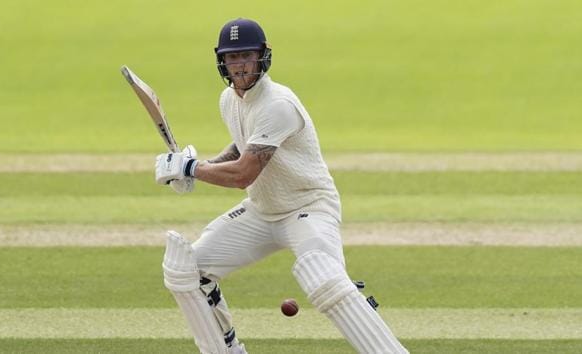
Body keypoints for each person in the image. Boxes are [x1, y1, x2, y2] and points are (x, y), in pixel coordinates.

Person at [155, 18, 408, 354]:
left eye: (246, 55)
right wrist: (197, 169)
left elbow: (245, 172)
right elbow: (243, 146)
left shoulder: (278, 104)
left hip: (307, 207)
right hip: (262, 212)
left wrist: (191, 167)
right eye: (232, 57)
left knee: (325, 281)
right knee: (186, 269)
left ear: (263, 56)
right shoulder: (229, 100)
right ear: (221, 61)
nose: (240, 65)